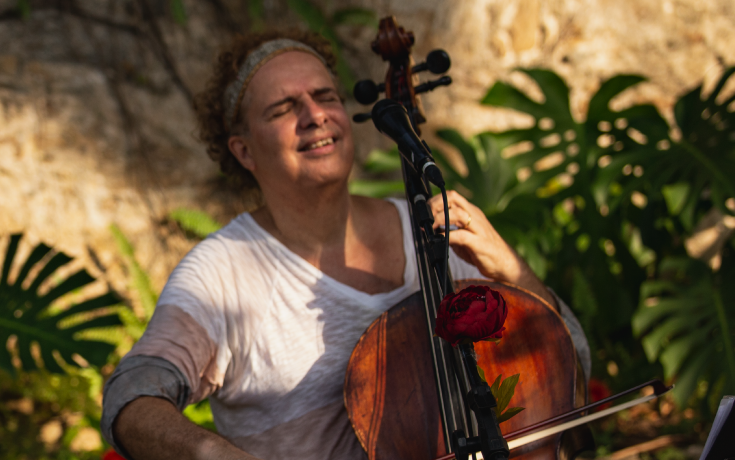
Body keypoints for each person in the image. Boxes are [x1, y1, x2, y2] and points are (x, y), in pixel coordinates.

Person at [99, 30, 591, 460]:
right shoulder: (223, 272)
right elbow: (132, 399)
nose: (314, 116)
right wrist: (213, 454)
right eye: (283, 108)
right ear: (244, 150)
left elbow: (567, 374)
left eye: (325, 97)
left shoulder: (434, 230)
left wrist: (511, 272)